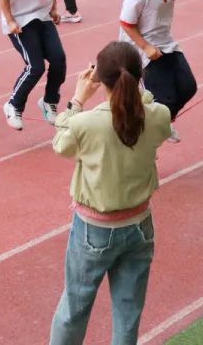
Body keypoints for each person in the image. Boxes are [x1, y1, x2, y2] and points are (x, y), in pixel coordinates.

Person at [48, 42, 172, 345]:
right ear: (139, 76)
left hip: (95, 229)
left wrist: (77, 99)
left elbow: (60, 144)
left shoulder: (85, 123)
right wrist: (139, 90)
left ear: (99, 79)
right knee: (128, 312)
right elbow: (150, 106)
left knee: (75, 308)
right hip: (140, 224)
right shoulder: (158, 115)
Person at [119, 0, 196, 144]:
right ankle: (146, 138)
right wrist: (145, 47)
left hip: (166, 45)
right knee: (163, 98)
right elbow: (127, 24)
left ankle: (164, 122)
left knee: (188, 86)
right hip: (144, 51)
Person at [0, 0, 65, 130]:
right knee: (35, 66)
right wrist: (10, 21)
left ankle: (49, 102)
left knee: (59, 59)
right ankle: (13, 104)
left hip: (42, 16)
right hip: (21, 20)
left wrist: (54, 8)